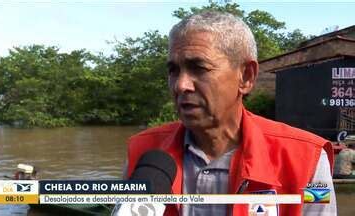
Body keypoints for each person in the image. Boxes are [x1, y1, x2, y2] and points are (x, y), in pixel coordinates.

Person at [125, 11, 336, 216]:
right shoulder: (143, 153)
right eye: (173, 71)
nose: (181, 85)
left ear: (245, 76)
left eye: (199, 68)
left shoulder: (309, 161)